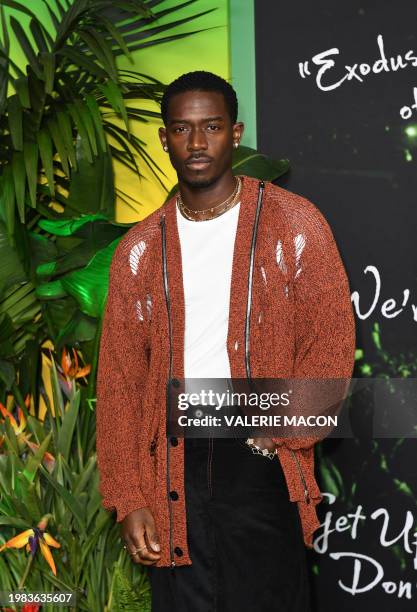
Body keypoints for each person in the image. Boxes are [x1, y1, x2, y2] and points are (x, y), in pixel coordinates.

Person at [95, 70, 356, 611]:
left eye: (210, 127)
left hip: (260, 460)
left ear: (234, 134)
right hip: (172, 467)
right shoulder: (140, 250)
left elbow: (331, 341)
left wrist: (279, 423)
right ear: (164, 138)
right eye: (182, 129)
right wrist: (128, 497)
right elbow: (120, 380)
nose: (196, 143)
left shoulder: (293, 223)